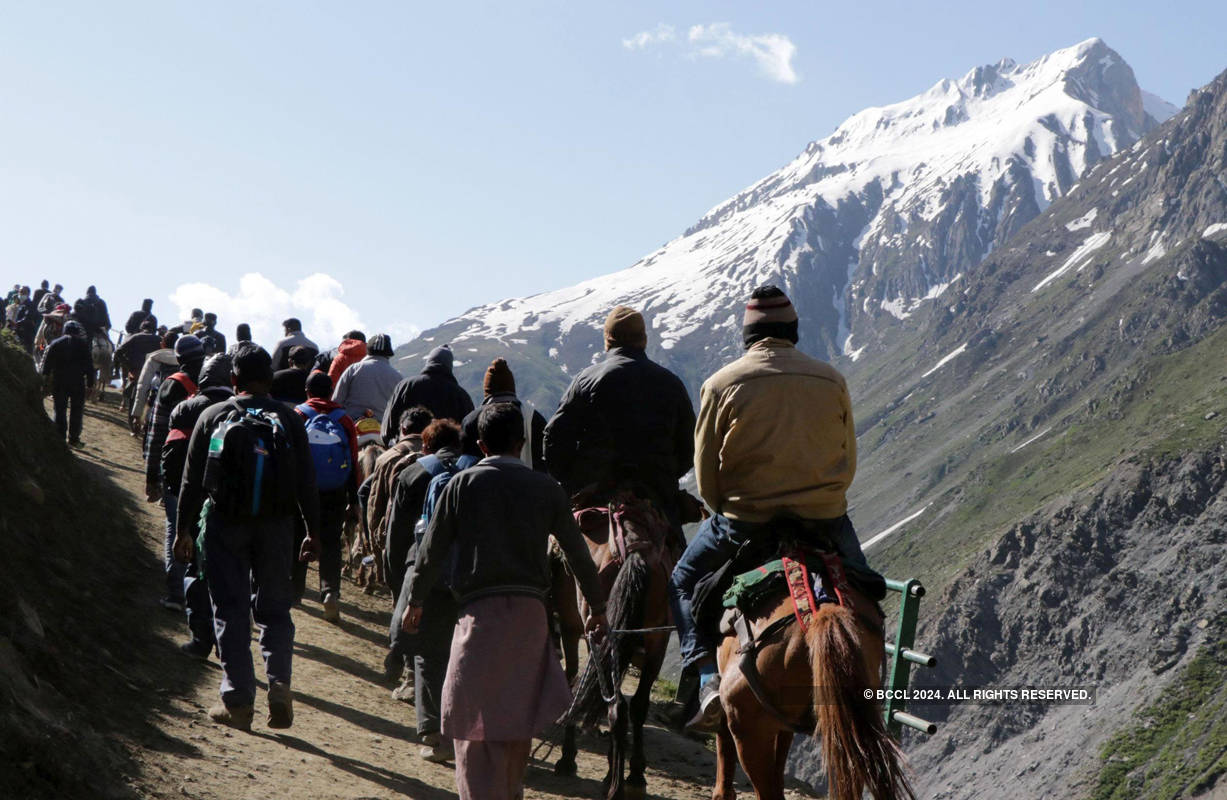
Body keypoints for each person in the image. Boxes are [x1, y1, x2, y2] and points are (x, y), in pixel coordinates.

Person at [669, 285, 876, 732]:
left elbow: (705, 476)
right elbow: (848, 461)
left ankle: (706, 680)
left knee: (682, 580)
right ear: (794, 331)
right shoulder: (831, 379)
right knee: (868, 590)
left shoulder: (721, 384)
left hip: (746, 520)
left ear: (747, 336)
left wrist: (728, 509)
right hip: (824, 517)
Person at [402, 403, 608, 798]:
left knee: (471, 720)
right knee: (518, 717)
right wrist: (597, 608)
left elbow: (431, 551)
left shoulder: (461, 484)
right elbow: (578, 555)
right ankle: (511, 790)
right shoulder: (547, 488)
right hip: (531, 619)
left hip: (478, 617)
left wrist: (416, 600)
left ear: (480, 444)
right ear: (522, 442)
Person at [174, 343, 321, 731]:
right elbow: (307, 482)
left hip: (225, 524)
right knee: (274, 610)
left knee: (230, 609)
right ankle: (279, 686)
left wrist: (183, 529)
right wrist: (313, 532)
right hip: (277, 527)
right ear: (270, 380)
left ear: (234, 379)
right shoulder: (289, 419)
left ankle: (238, 702)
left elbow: (192, 483)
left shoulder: (213, 415)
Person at [543, 305, 695, 527]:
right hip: (658, 496)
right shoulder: (671, 383)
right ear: (643, 339)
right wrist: (664, 475)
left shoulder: (586, 380)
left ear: (608, 340)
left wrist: (574, 482)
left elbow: (554, 437)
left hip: (596, 493)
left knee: (556, 555)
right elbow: (689, 446)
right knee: (684, 559)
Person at [383, 419, 476, 757]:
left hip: (426, 571)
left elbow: (396, 534)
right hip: (469, 574)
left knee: (426, 653)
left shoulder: (413, 473)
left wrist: (399, 579)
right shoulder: (477, 472)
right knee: (462, 654)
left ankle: (432, 734)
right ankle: (464, 730)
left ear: (426, 445)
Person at [163, 353, 233, 659]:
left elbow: (171, 455)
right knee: (232, 575)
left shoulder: (185, 408)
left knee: (195, 569)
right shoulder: (243, 411)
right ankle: (228, 644)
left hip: (190, 499)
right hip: (232, 505)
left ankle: (201, 638)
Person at [146, 335, 207, 613]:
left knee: (176, 526)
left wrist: (152, 473)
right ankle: (199, 594)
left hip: (176, 469)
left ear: (178, 358)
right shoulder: (217, 385)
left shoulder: (173, 385)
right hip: (209, 472)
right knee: (201, 529)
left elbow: (158, 432)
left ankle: (176, 594)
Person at [291, 371, 360, 621]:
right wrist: (353, 498)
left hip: (301, 489)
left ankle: (295, 590)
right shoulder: (344, 420)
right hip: (335, 489)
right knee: (331, 541)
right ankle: (330, 591)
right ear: (331, 392)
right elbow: (352, 461)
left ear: (307, 391)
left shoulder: (298, 415)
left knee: (298, 534)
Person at [459, 358, 546, 471]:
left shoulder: (471, 419)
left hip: (482, 483)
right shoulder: (533, 417)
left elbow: (466, 460)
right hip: (532, 483)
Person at [380, 344, 474, 446]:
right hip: (444, 457)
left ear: (429, 362)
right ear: (449, 366)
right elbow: (468, 434)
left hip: (406, 450)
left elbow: (387, 428)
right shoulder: (461, 396)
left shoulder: (406, 386)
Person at [40, 320, 94, 446]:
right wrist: (90, 384)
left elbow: (47, 364)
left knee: (60, 409)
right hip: (78, 383)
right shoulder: (83, 345)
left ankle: (60, 437)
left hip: (60, 381)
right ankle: (74, 438)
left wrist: (45, 379)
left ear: (65, 330)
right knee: (77, 410)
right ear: (77, 332)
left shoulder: (56, 343)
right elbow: (89, 366)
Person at [332, 333, 401, 422]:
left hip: (352, 427)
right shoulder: (398, 377)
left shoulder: (353, 369)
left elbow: (336, 401)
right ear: (388, 354)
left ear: (368, 350)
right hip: (381, 430)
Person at [132, 331, 181, 433]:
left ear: (162, 344)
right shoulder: (183, 361)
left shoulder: (154, 358)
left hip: (153, 408)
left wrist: (137, 414)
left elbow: (143, 386)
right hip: (174, 411)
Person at [115, 318, 162, 408]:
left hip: (135, 371)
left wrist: (128, 365)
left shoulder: (135, 337)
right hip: (152, 373)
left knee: (131, 388)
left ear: (142, 328)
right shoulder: (159, 339)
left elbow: (118, 352)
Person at [12, 286, 38, 352]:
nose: (21, 294)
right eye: (20, 292)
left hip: (26, 335)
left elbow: (28, 318)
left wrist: (16, 323)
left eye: (23, 292)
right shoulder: (17, 305)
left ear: (28, 294)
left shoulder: (31, 304)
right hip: (16, 333)